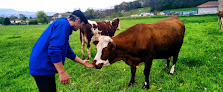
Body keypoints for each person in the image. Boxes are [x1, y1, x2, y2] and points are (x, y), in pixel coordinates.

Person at [29, 10, 94, 92]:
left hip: (43, 66)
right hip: (42, 67)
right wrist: (62, 72)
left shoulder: (63, 25)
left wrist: (82, 62)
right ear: (78, 20)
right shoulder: (63, 25)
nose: (81, 27)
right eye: (82, 25)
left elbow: (67, 51)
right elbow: (54, 50)